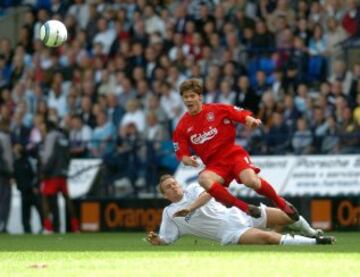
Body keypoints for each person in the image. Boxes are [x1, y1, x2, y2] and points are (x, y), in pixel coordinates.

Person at [173, 79, 298, 220]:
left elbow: (240, 114)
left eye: (192, 96)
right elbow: (182, 154)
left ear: (200, 97)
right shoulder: (181, 127)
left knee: (251, 181)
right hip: (215, 165)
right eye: (185, 97)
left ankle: (280, 202)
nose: (189, 100)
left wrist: (251, 121)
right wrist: (188, 160)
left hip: (233, 154)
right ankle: (245, 207)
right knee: (203, 179)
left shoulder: (217, 109)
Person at [147, 175, 334, 246]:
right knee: (268, 238)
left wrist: (189, 208)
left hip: (238, 213)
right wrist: (158, 240)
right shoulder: (170, 214)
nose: (174, 187)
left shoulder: (193, 189)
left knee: (286, 216)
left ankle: (311, 233)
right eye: (169, 188)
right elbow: (166, 239)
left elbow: (210, 193)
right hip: (229, 231)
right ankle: (318, 243)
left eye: (174, 183)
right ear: (165, 195)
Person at [40, 120, 80, 233]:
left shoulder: (50, 136)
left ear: (48, 127)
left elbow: (49, 155)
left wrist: (44, 170)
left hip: (52, 174)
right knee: (67, 199)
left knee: (45, 198)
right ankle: (75, 226)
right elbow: (69, 155)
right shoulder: (64, 137)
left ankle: (48, 227)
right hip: (63, 173)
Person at [0, 119, 13, 233]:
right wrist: (11, 172)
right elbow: (7, 158)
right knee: (4, 200)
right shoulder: (4, 137)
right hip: (4, 174)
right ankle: (2, 224)